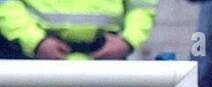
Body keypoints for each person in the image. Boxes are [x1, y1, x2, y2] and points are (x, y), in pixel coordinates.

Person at [0, 0, 155, 60]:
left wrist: (128, 41)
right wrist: (35, 42)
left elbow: (142, 5)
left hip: (101, 64)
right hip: (34, 63)